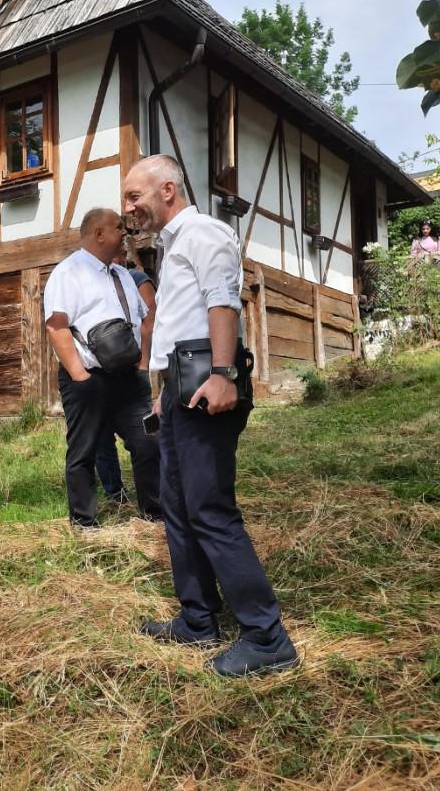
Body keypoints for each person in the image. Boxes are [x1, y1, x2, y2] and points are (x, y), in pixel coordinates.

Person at [122, 155, 299, 677]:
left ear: (169, 189)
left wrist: (222, 372)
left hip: (207, 383)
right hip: (180, 388)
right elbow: (179, 322)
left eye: (135, 196)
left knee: (210, 509)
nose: (129, 207)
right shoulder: (173, 243)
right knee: (177, 506)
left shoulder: (204, 232)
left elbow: (223, 302)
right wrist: (163, 394)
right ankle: (198, 619)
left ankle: (267, 638)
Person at [44, 207, 161, 529]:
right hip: (88, 377)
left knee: (149, 442)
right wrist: (80, 377)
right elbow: (57, 326)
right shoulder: (69, 272)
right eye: (118, 228)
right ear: (98, 234)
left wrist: (142, 364)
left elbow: (143, 319)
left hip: (129, 378)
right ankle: (84, 522)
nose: (125, 233)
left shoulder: (123, 274)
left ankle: (155, 514)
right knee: (84, 450)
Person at [96, 247, 157, 505]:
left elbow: (151, 320)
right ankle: (115, 494)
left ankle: (153, 500)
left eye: (118, 253)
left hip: (132, 371)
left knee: (142, 436)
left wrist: (144, 363)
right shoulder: (95, 280)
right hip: (100, 374)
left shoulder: (137, 280)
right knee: (101, 437)